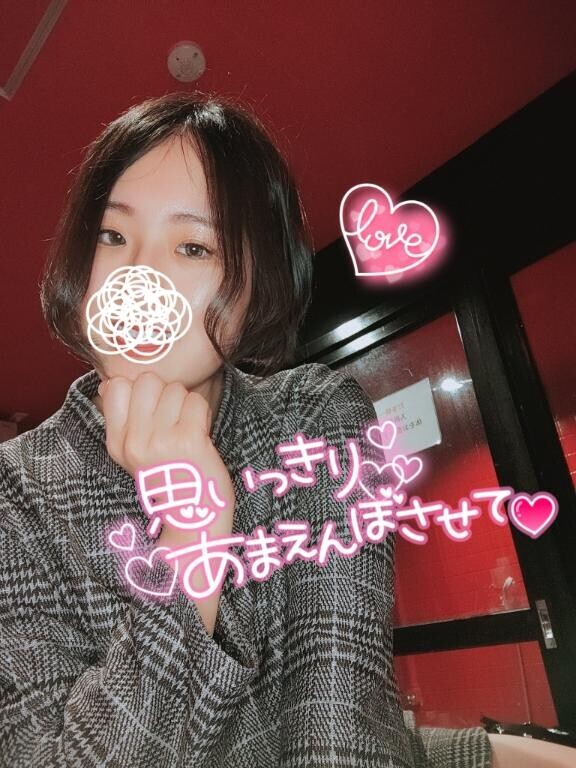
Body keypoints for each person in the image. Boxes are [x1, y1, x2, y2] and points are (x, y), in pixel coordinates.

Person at [1, 91, 555, 767]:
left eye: (192, 246)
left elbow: (342, 727)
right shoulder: (14, 492)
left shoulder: (316, 420)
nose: (139, 277)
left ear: (254, 287)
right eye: (111, 236)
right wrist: (191, 539)